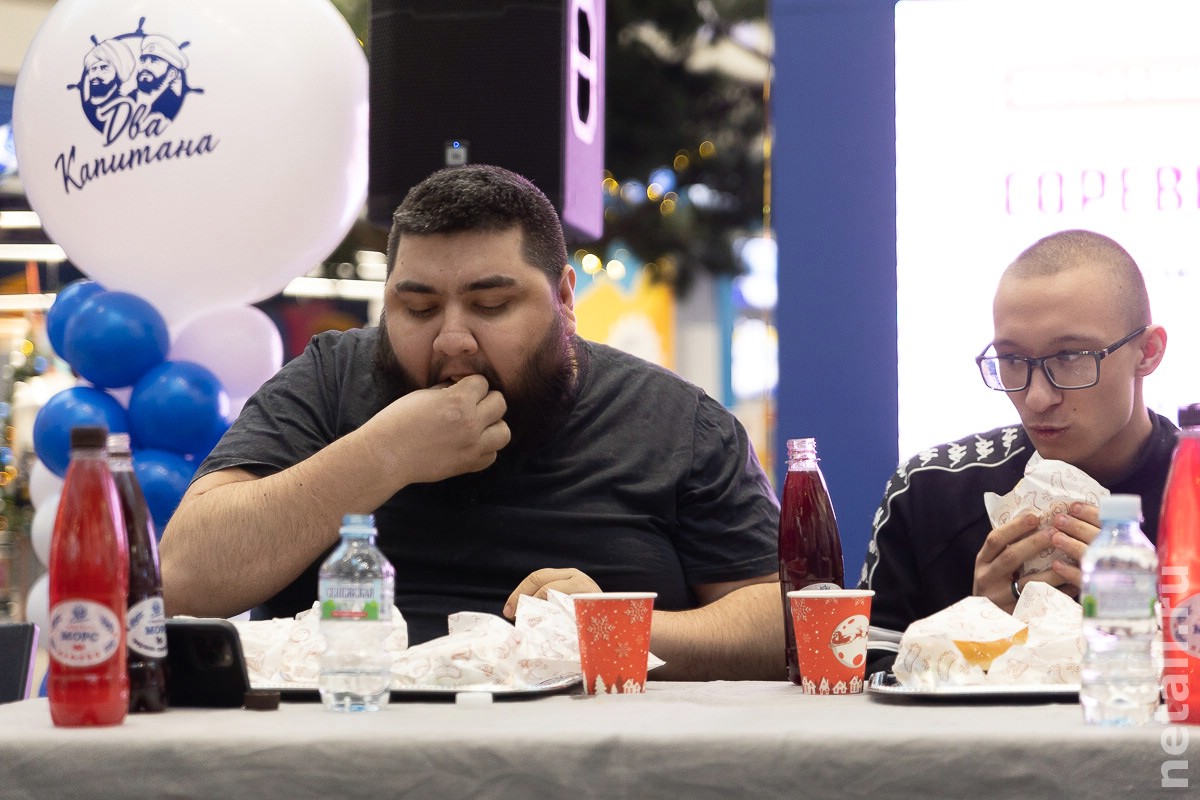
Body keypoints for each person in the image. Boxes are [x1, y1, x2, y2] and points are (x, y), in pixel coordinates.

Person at [160, 164, 783, 681]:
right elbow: (186, 578)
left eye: (491, 305)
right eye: (418, 307)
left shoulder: (676, 420)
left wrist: (609, 630)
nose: (453, 340)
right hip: (347, 747)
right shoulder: (330, 380)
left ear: (565, 298)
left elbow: (780, 621)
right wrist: (385, 454)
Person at [859, 229, 1175, 672]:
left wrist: (1158, 623)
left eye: (1069, 357)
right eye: (1012, 361)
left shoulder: (1191, 489)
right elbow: (863, 683)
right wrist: (975, 642)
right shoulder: (930, 489)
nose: (1038, 397)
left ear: (1148, 352)